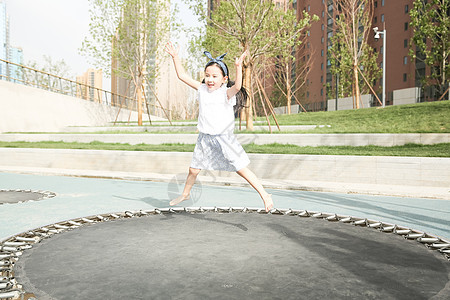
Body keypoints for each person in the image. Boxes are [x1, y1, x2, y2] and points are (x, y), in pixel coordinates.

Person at [165, 41, 274, 212]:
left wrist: (238, 67)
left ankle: (264, 194)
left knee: (240, 169)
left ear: (224, 79)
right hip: (205, 138)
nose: (210, 79)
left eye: (215, 76)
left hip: (224, 139)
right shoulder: (201, 89)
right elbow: (182, 76)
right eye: (207, 75)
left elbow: (238, 86)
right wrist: (175, 57)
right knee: (193, 170)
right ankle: (185, 194)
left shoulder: (226, 93)